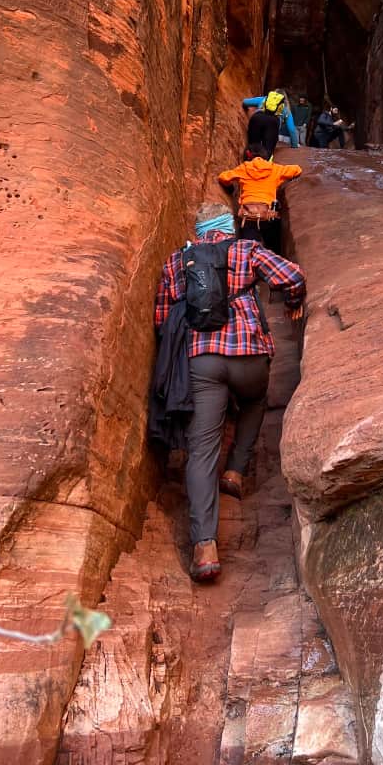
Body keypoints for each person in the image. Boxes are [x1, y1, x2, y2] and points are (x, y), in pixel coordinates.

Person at [154, 201, 306, 582]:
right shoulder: (245, 250)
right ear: (228, 226)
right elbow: (292, 276)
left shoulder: (177, 262)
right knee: (256, 400)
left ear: (200, 230)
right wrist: (291, 303)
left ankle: (204, 548)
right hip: (249, 358)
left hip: (201, 363)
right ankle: (236, 471)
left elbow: (161, 319)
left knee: (202, 450)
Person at [218, 149, 302, 253]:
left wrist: (230, 187)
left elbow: (223, 177)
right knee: (273, 246)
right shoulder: (274, 168)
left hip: (247, 216)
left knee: (247, 250)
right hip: (268, 215)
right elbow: (297, 169)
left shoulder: (244, 168)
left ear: (249, 157)